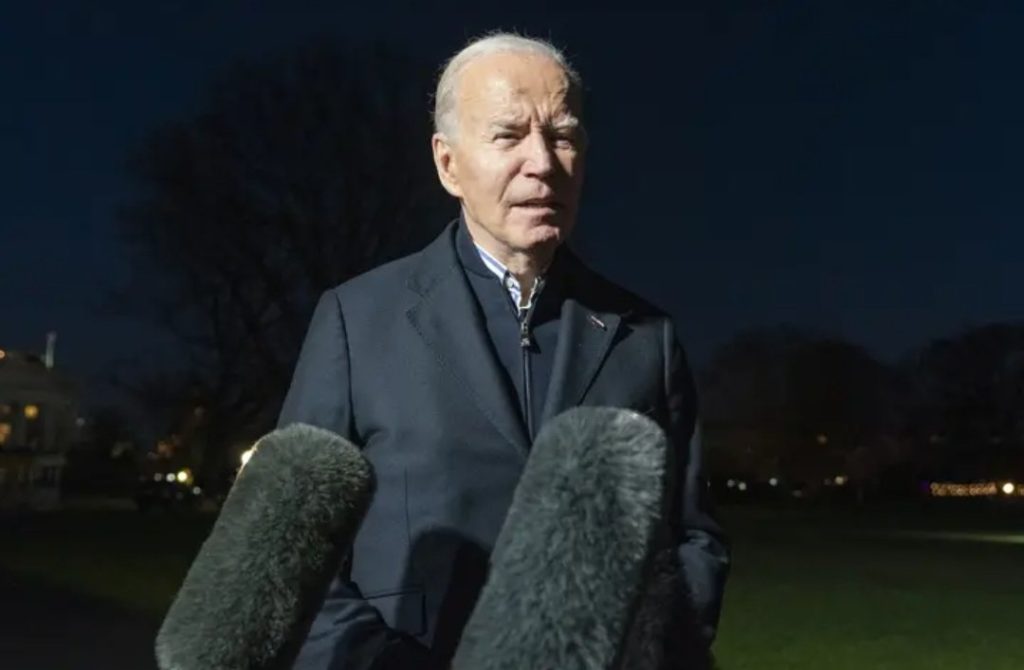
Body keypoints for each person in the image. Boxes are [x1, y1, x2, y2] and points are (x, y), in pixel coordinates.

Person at [278, 32, 729, 670]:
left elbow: (694, 541)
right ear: (448, 164)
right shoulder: (356, 320)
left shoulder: (645, 338)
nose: (542, 162)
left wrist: (645, 650)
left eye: (563, 136)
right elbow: (294, 556)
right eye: (508, 135)